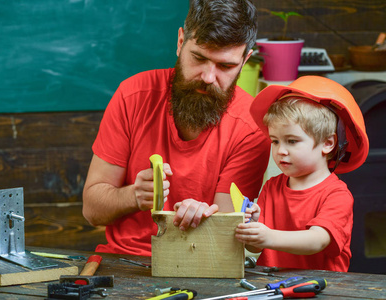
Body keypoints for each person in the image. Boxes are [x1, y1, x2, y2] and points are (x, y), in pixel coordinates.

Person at [82, 0, 270, 256]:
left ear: (245, 59)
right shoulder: (133, 95)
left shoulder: (251, 126)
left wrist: (204, 217)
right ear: (181, 42)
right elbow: (92, 210)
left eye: (225, 66)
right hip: (123, 261)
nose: (208, 77)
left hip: (201, 266)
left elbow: (227, 233)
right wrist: (134, 196)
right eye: (199, 58)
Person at [236, 76, 369, 271]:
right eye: (275, 141)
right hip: (274, 286)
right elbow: (254, 247)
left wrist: (268, 236)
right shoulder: (272, 186)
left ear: (327, 144)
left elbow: (317, 240)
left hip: (323, 290)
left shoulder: (337, 195)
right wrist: (253, 228)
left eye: (292, 141)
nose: (281, 150)